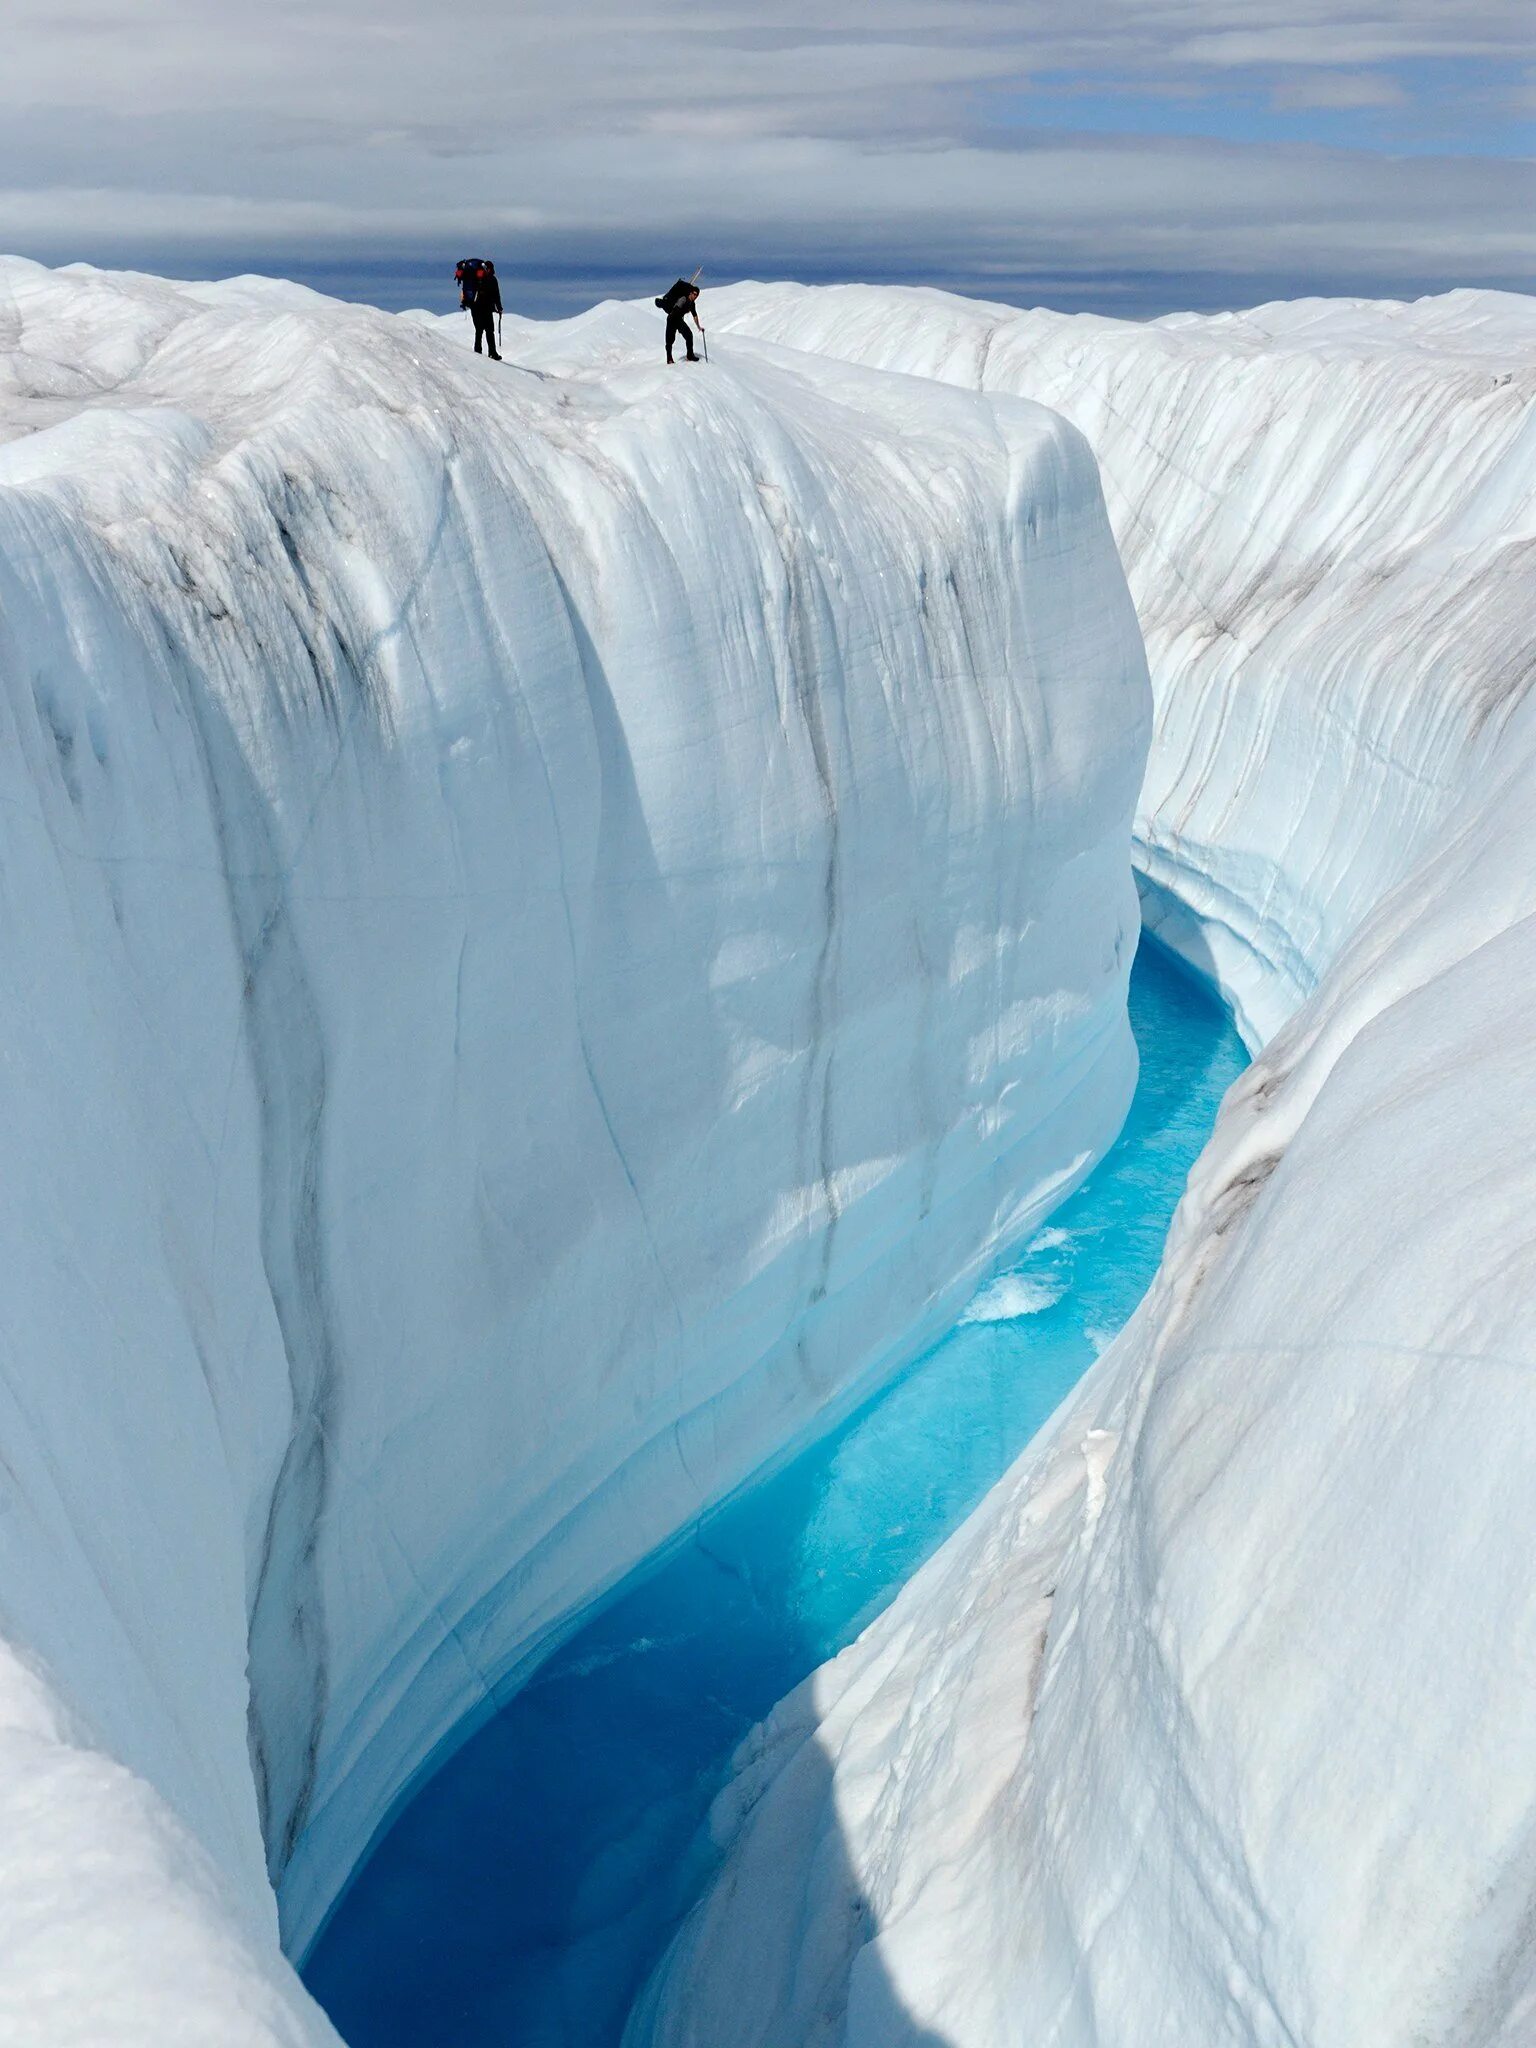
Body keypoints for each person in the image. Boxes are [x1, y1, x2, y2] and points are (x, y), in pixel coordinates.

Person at [655, 278, 702, 363]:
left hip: (678, 319)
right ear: (691, 293)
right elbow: (676, 308)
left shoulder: (692, 304)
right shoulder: (683, 299)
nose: (695, 296)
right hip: (672, 318)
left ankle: (690, 356)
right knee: (670, 340)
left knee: (689, 335)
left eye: (697, 295)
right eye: (694, 294)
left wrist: (699, 327)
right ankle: (669, 359)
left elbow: (695, 315)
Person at [467, 259, 502, 360]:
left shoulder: (477, 278)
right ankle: (491, 352)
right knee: (489, 330)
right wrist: (499, 307)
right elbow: (496, 295)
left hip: (476, 307)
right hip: (485, 308)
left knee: (480, 329)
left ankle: (478, 351)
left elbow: (496, 295)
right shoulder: (491, 279)